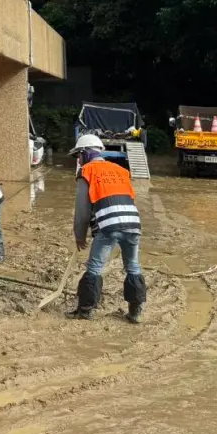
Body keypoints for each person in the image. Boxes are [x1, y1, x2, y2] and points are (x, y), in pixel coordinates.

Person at [68, 134, 146, 323]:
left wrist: (80, 235)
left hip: (110, 226)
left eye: (78, 156)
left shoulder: (87, 171)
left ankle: (85, 310)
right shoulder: (121, 170)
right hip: (133, 223)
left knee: (94, 267)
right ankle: (135, 312)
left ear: (86, 153)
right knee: (133, 266)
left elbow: (82, 211)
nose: (78, 160)